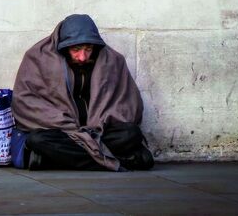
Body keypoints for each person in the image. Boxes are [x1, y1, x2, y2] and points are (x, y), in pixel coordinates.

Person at [11, 14, 154, 171]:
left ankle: (55, 161)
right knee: (37, 140)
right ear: (63, 46)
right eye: (76, 50)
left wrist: (101, 121)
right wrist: (65, 123)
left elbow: (128, 103)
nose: (82, 57)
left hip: (99, 133)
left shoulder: (112, 61)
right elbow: (26, 102)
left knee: (131, 134)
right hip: (62, 132)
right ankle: (117, 162)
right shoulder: (37, 58)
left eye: (88, 49)